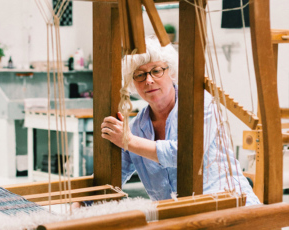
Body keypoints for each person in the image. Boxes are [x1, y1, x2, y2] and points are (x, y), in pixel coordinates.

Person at [101, 36, 260, 206]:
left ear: (172, 71)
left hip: (230, 208)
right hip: (177, 217)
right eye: (139, 75)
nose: (148, 80)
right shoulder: (137, 129)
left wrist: (128, 140)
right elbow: (113, 178)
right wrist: (76, 209)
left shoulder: (201, 104)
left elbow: (184, 154)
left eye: (156, 71)